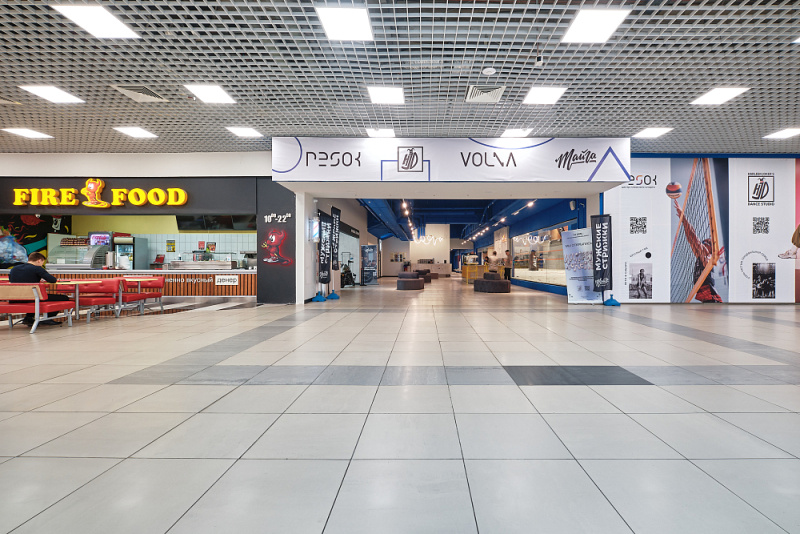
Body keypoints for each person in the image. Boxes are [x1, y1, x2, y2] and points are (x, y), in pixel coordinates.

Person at [675, 205, 722, 302]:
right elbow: (690, 239)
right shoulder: (701, 256)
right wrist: (683, 221)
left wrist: (684, 218)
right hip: (708, 297)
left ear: (710, 248)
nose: (703, 242)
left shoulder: (707, 256)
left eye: (705, 242)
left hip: (711, 298)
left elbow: (694, 237)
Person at [8, 252, 70, 326]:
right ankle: (47, 319)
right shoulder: (37, 268)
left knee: (35, 296)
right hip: (32, 298)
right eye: (42, 263)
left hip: (15, 298)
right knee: (64, 298)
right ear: (39, 260)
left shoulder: (14, 269)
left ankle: (28, 318)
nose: (42, 265)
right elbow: (53, 280)